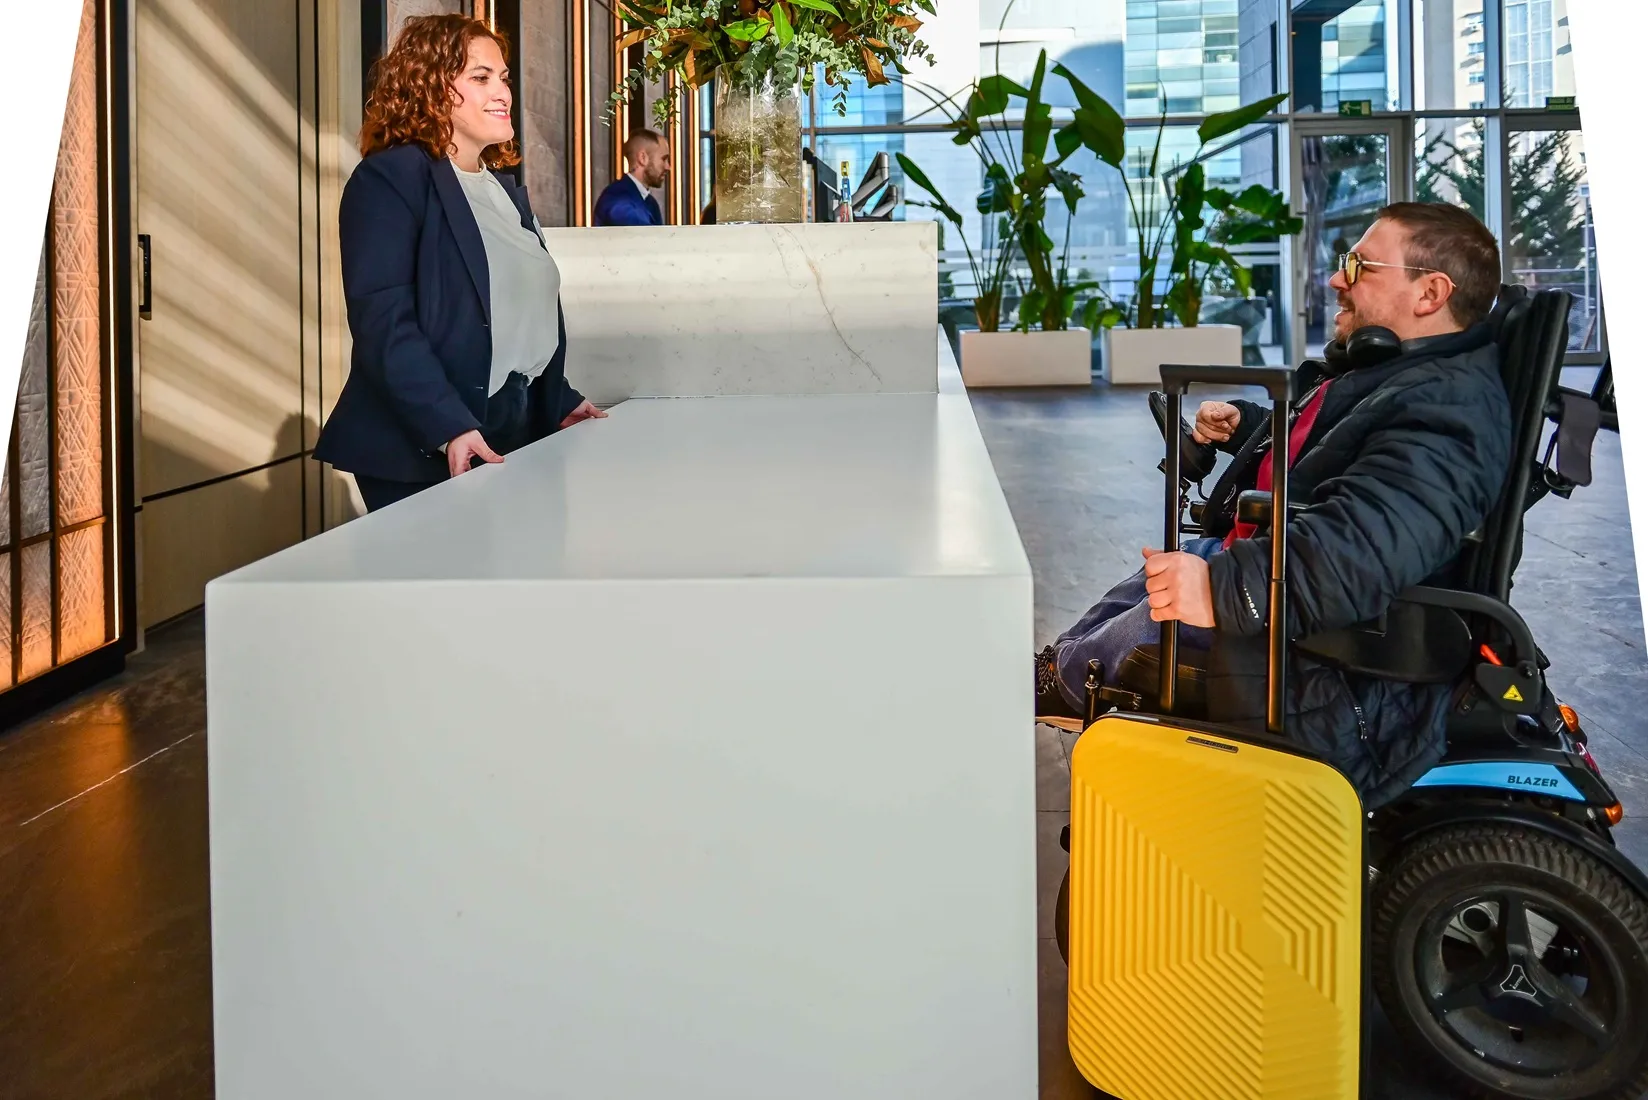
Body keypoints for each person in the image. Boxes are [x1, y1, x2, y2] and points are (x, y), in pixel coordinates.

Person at [1035, 202, 1515, 806]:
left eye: (1359, 265)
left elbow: (1363, 547)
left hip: (1343, 656)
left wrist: (1223, 590)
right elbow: (1337, 449)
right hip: (1297, 586)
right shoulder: (1402, 374)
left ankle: (1056, 686)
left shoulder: (1450, 409)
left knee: (1161, 612)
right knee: (1156, 579)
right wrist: (1249, 429)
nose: (1339, 279)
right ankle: (1054, 675)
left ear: (1430, 293)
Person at [313, 14, 605, 513]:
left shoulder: (502, 191)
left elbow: (518, 313)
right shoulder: (390, 178)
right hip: (423, 441)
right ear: (431, 87)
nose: (503, 92)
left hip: (507, 427)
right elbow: (383, 321)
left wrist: (556, 398)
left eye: (504, 77)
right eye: (480, 77)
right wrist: (448, 425)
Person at [593, 130, 670, 227]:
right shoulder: (618, 198)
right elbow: (643, 237)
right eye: (664, 159)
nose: (668, 167)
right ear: (643, 158)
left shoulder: (650, 202)